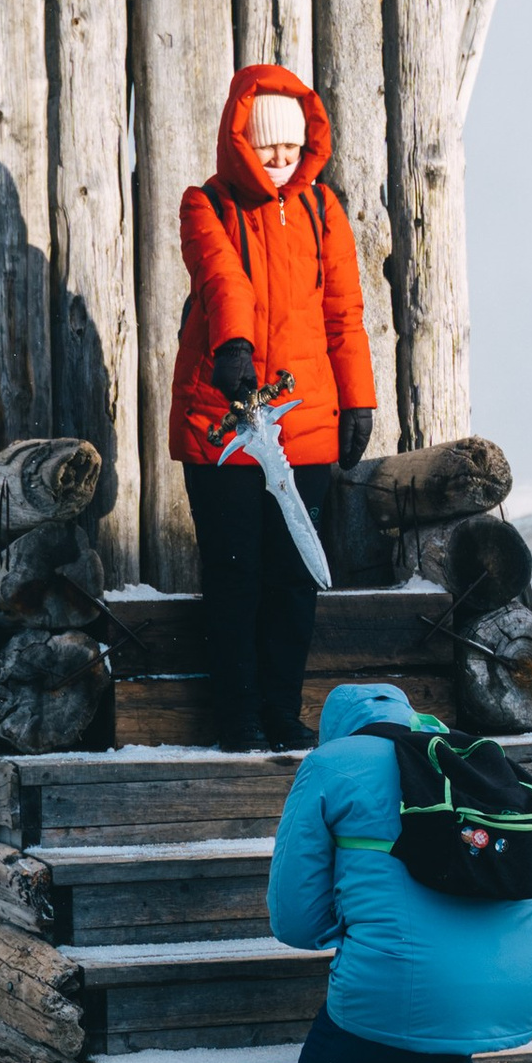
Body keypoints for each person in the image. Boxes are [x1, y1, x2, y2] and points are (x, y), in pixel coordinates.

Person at [267, 680, 532, 1063]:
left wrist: (350, 929)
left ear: (335, 728)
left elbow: (295, 920)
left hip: (404, 986)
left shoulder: (331, 764)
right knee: (447, 966)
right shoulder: (468, 755)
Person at [171, 65, 375, 751]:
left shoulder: (323, 209)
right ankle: (237, 717)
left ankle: (282, 713)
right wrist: (232, 344)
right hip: (224, 423)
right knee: (236, 575)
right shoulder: (207, 204)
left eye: (290, 151)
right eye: (268, 151)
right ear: (240, 144)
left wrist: (358, 403)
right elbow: (221, 275)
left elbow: (344, 314)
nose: (281, 163)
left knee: (293, 581)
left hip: (306, 424)